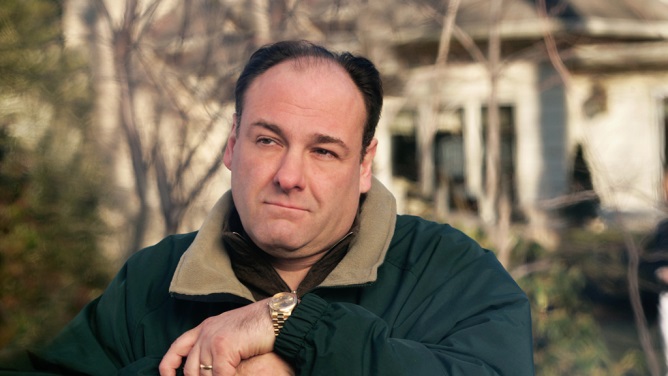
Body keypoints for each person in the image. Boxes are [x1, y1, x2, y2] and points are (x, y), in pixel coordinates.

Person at [0, 40, 534, 375]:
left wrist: (294, 328)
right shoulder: (151, 279)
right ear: (232, 145)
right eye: (268, 140)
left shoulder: (450, 272)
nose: (289, 176)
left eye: (324, 151)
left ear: (365, 164)